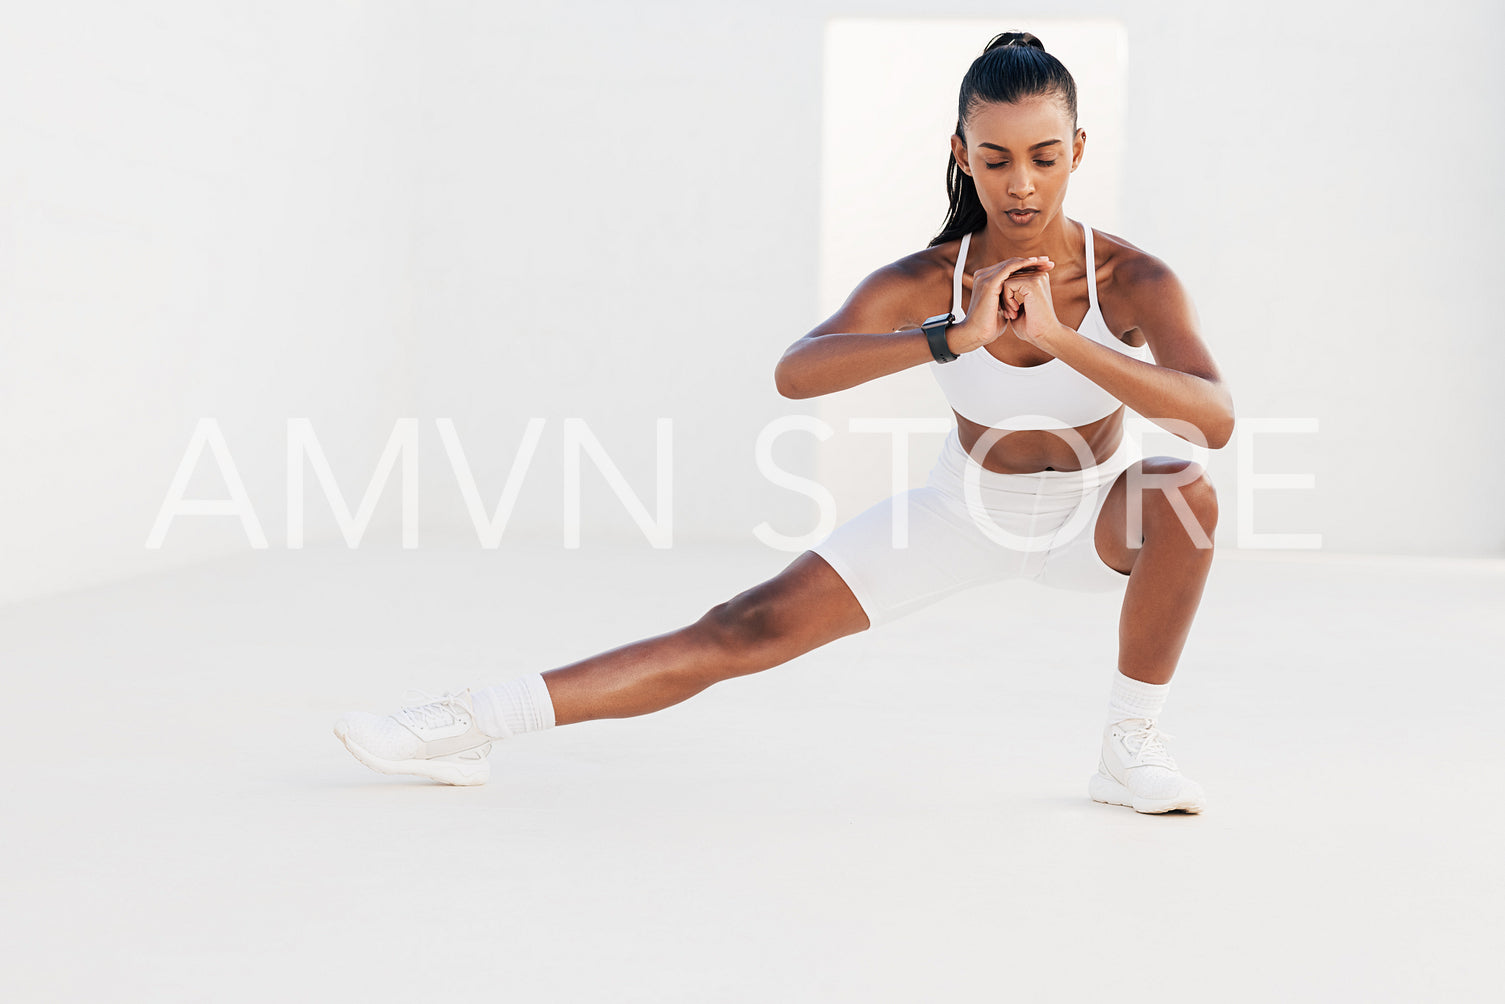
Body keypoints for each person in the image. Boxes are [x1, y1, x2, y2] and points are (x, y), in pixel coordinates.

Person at [334, 31, 1232, 814]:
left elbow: (1212, 421)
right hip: (961, 513)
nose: (1021, 183)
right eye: (995, 160)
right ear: (961, 154)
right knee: (743, 626)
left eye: (1043, 156)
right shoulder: (928, 279)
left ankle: (1128, 747)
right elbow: (797, 372)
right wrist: (952, 337)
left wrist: (1056, 340)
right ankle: (468, 723)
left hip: (1090, 521)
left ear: (1077, 147)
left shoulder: (1130, 280)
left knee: (1181, 492)